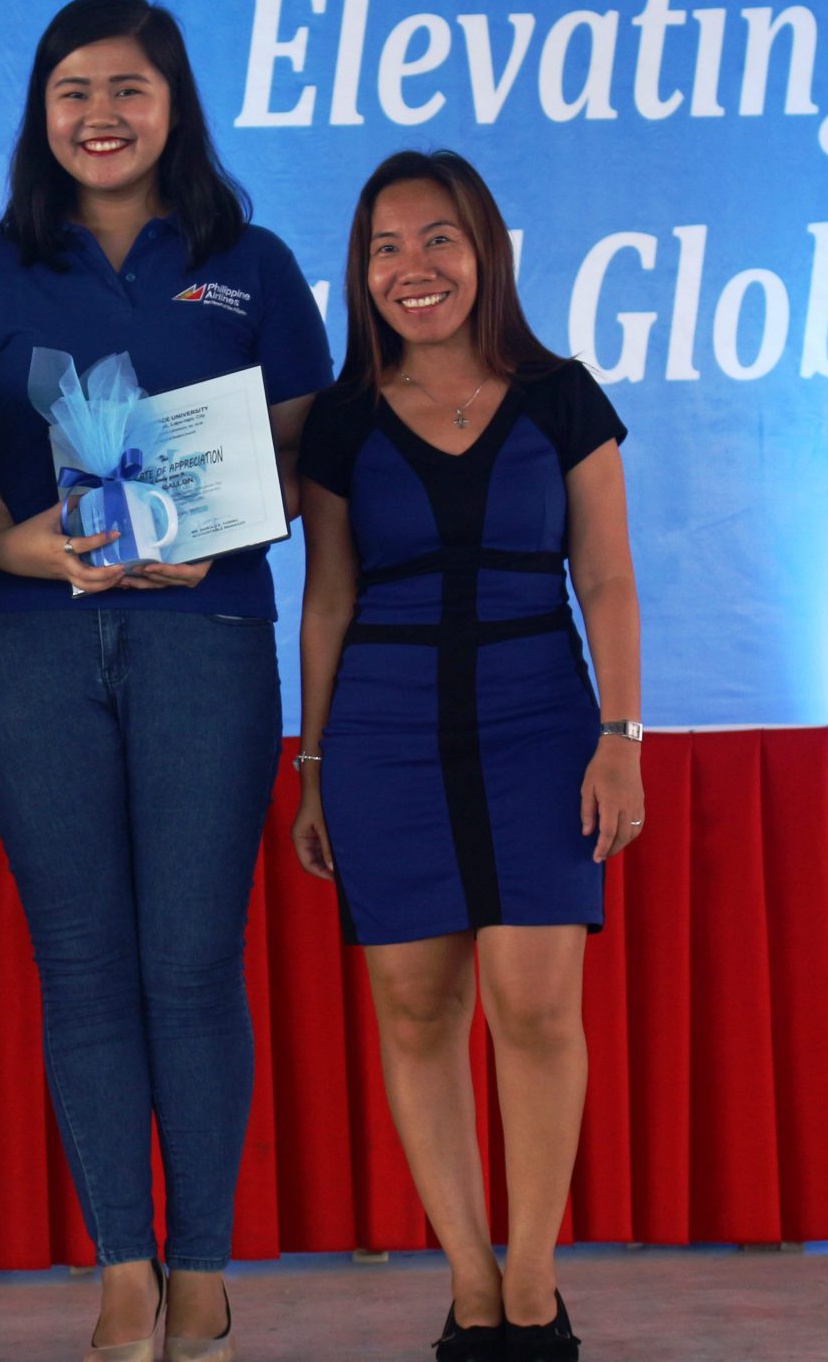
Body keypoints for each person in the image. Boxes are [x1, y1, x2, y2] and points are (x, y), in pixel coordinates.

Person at [0, 0, 331, 1362]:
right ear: (40, 114)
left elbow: (307, 453)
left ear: (173, 108)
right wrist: (9, 544)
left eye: (128, 90)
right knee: (84, 963)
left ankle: (200, 1263)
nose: (100, 116)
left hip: (203, 636)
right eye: (73, 92)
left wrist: (225, 527)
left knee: (191, 963)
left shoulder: (248, 263)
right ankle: (121, 1268)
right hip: (28, 645)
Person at [291, 149, 643, 1362]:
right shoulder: (340, 419)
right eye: (384, 247)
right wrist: (312, 766)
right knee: (413, 1008)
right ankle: (469, 1285)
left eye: (436, 237)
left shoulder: (561, 396)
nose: (412, 267)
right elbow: (325, 600)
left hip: (539, 721)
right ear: (360, 272)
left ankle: (533, 1285)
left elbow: (606, 578)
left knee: (534, 1006)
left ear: (483, 249)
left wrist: (619, 736)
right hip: (381, 734)